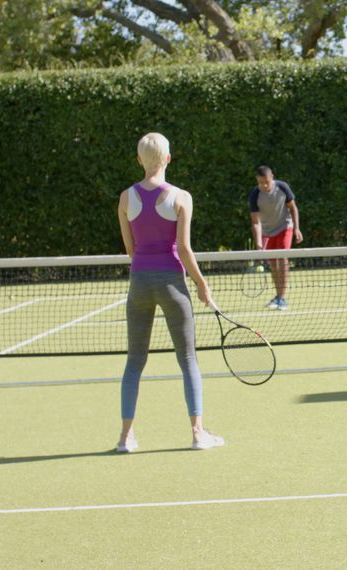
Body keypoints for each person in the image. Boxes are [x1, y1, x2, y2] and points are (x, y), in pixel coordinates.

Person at [115, 133, 224, 452]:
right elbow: (186, 250)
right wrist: (203, 286)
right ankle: (197, 433)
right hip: (172, 285)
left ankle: (125, 438)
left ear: (139, 160)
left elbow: (131, 250)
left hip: (139, 284)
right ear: (168, 159)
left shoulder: (125, 198)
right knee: (188, 358)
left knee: (134, 361)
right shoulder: (181, 197)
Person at [248, 166, 303, 310]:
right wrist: (259, 244)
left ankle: (282, 298)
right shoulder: (255, 195)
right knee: (273, 264)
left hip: (285, 227)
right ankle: (278, 296)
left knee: (282, 258)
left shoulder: (283, 187)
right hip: (267, 231)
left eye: (266, 182)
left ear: (272, 177)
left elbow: (293, 208)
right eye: (260, 182)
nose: (264, 185)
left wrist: (296, 228)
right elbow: (255, 222)